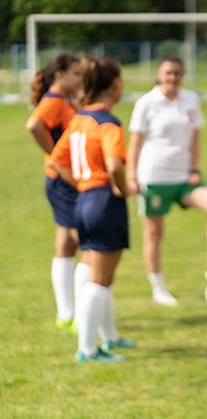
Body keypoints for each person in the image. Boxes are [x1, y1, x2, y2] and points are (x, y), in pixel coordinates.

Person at [126, 55, 207, 307]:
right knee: (155, 233)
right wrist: (131, 176)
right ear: (159, 75)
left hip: (184, 176)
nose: (173, 78)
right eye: (168, 73)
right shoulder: (147, 103)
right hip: (155, 177)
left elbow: (195, 138)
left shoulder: (191, 100)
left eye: (178, 73)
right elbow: (135, 142)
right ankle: (158, 287)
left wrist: (194, 167)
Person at [48, 57, 135, 363]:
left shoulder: (80, 119)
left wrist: (82, 182)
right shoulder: (108, 122)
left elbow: (57, 159)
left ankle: (109, 337)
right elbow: (113, 165)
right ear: (115, 86)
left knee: (98, 272)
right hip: (103, 202)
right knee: (100, 277)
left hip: (83, 200)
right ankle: (87, 348)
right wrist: (123, 187)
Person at [25, 53, 90, 330]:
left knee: (65, 243)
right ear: (60, 75)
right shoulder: (52, 101)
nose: (79, 79)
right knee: (86, 243)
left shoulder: (63, 101)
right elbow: (33, 124)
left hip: (61, 179)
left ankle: (67, 313)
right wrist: (54, 154)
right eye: (76, 74)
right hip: (62, 181)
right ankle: (78, 314)